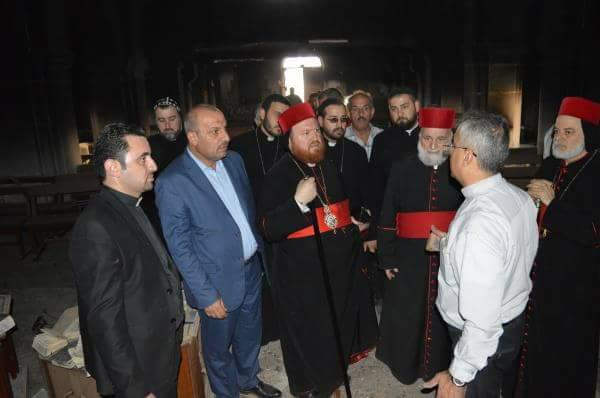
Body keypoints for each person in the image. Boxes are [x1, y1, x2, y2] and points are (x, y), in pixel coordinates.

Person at [155, 105, 281, 398]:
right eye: (215, 131)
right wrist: (206, 294)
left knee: (251, 335)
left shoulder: (234, 161)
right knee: (218, 350)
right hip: (216, 283)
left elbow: (243, 213)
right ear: (193, 137)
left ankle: (248, 380)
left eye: (225, 128)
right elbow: (179, 246)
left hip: (251, 269)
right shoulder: (173, 182)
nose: (225, 136)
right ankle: (227, 394)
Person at [258, 103, 377, 397]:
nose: (314, 137)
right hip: (302, 278)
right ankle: (316, 386)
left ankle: (333, 379)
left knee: (337, 329)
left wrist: (350, 223)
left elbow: (332, 210)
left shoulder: (328, 167)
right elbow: (268, 228)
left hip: (338, 270)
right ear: (289, 140)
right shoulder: (277, 175)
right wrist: (297, 202)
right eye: (305, 132)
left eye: (315, 130)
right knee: (312, 336)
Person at [423, 111, 538, 398]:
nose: (448, 152)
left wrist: (458, 378)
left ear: (468, 156)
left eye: (452, 146)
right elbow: (506, 256)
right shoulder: (517, 196)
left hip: (482, 341)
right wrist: (450, 245)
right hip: (510, 322)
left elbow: (481, 321)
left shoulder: (478, 225)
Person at [69, 122, 184, 397]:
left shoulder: (131, 204)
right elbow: (104, 319)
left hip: (157, 356)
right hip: (138, 372)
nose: (154, 165)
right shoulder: (95, 226)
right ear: (113, 168)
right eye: (143, 158)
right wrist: (136, 388)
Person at [376, 107, 463, 385]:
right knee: (407, 311)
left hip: (450, 253)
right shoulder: (402, 167)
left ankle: (441, 366)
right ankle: (405, 365)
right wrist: (387, 258)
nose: (434, 145)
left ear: (452, 138)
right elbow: (388, 213)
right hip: (408, 254)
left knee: (445, 311)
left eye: (441, 139)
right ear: (419, 137)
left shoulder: (461, 168)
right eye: (427, 138)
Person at [523, 96, 600, 398]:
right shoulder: (551, 163)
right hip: (541, 272)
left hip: (577, 283)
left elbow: (593, 232)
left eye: (569, 132)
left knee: (568, 354)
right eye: (557, 131)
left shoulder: (596, 170)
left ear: (589, 134)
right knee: (537, 347)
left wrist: (553, 204)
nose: (560, 138)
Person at [366, 87, 421, 253]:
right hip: (393, 222)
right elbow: (376, 189)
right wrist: (373, 231)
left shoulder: (431, 137)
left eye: (405, 106)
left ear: (417, 106)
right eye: (394, 109)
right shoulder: (382, 140)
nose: (400, 113)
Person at [229, 94, 291, 200]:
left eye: (285, 117)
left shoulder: (289, 145)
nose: (281, 121)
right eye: (277, 114)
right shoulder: (238, 145)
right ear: (262, 114)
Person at [142, 97, 188, 232]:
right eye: (161, 120)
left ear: (181, 118)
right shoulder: (147, 146)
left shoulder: (194, 141)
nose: (167, 126)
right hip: (160, 215)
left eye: (172, 119)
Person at [344, 90, 383, 160]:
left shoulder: (383, 136)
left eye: (365, 108)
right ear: (349, 113)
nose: (361, 113)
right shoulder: (342, 138)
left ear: (372, 112)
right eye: (355, 109)